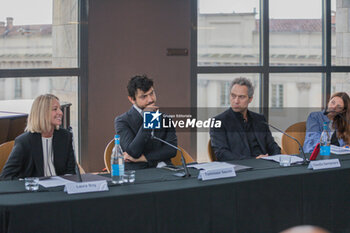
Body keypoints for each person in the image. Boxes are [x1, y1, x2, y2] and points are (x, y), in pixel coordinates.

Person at [0, 94, 76, 179]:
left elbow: (71, 171)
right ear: (42, 113)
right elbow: (6, 176)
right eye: (55, 109)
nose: (61, 113)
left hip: (61, 188)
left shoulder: (65, 136)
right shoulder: (24, 141)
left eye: (60, 109)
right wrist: (28, 183)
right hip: (36, 189)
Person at [114, 75, 177, 170]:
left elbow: (171, 150)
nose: (151, 99)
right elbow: (133, 152)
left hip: (165, 169)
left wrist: (144, 158)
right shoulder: (122, 121)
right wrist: (149, 120)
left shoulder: (165, 118)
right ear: (132, 99)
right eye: (144, 97)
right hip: (139, 172)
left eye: (152, 93)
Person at [210, 77, 281, 161]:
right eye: (233, 96)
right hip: (240, 169)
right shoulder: (218, 122)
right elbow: (222, 154)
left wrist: (275, 159)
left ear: (250, 99)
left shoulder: (260, 119)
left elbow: (272, 146)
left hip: (266, 166)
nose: (236, 101)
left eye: (241, 97)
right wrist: (254, 160)